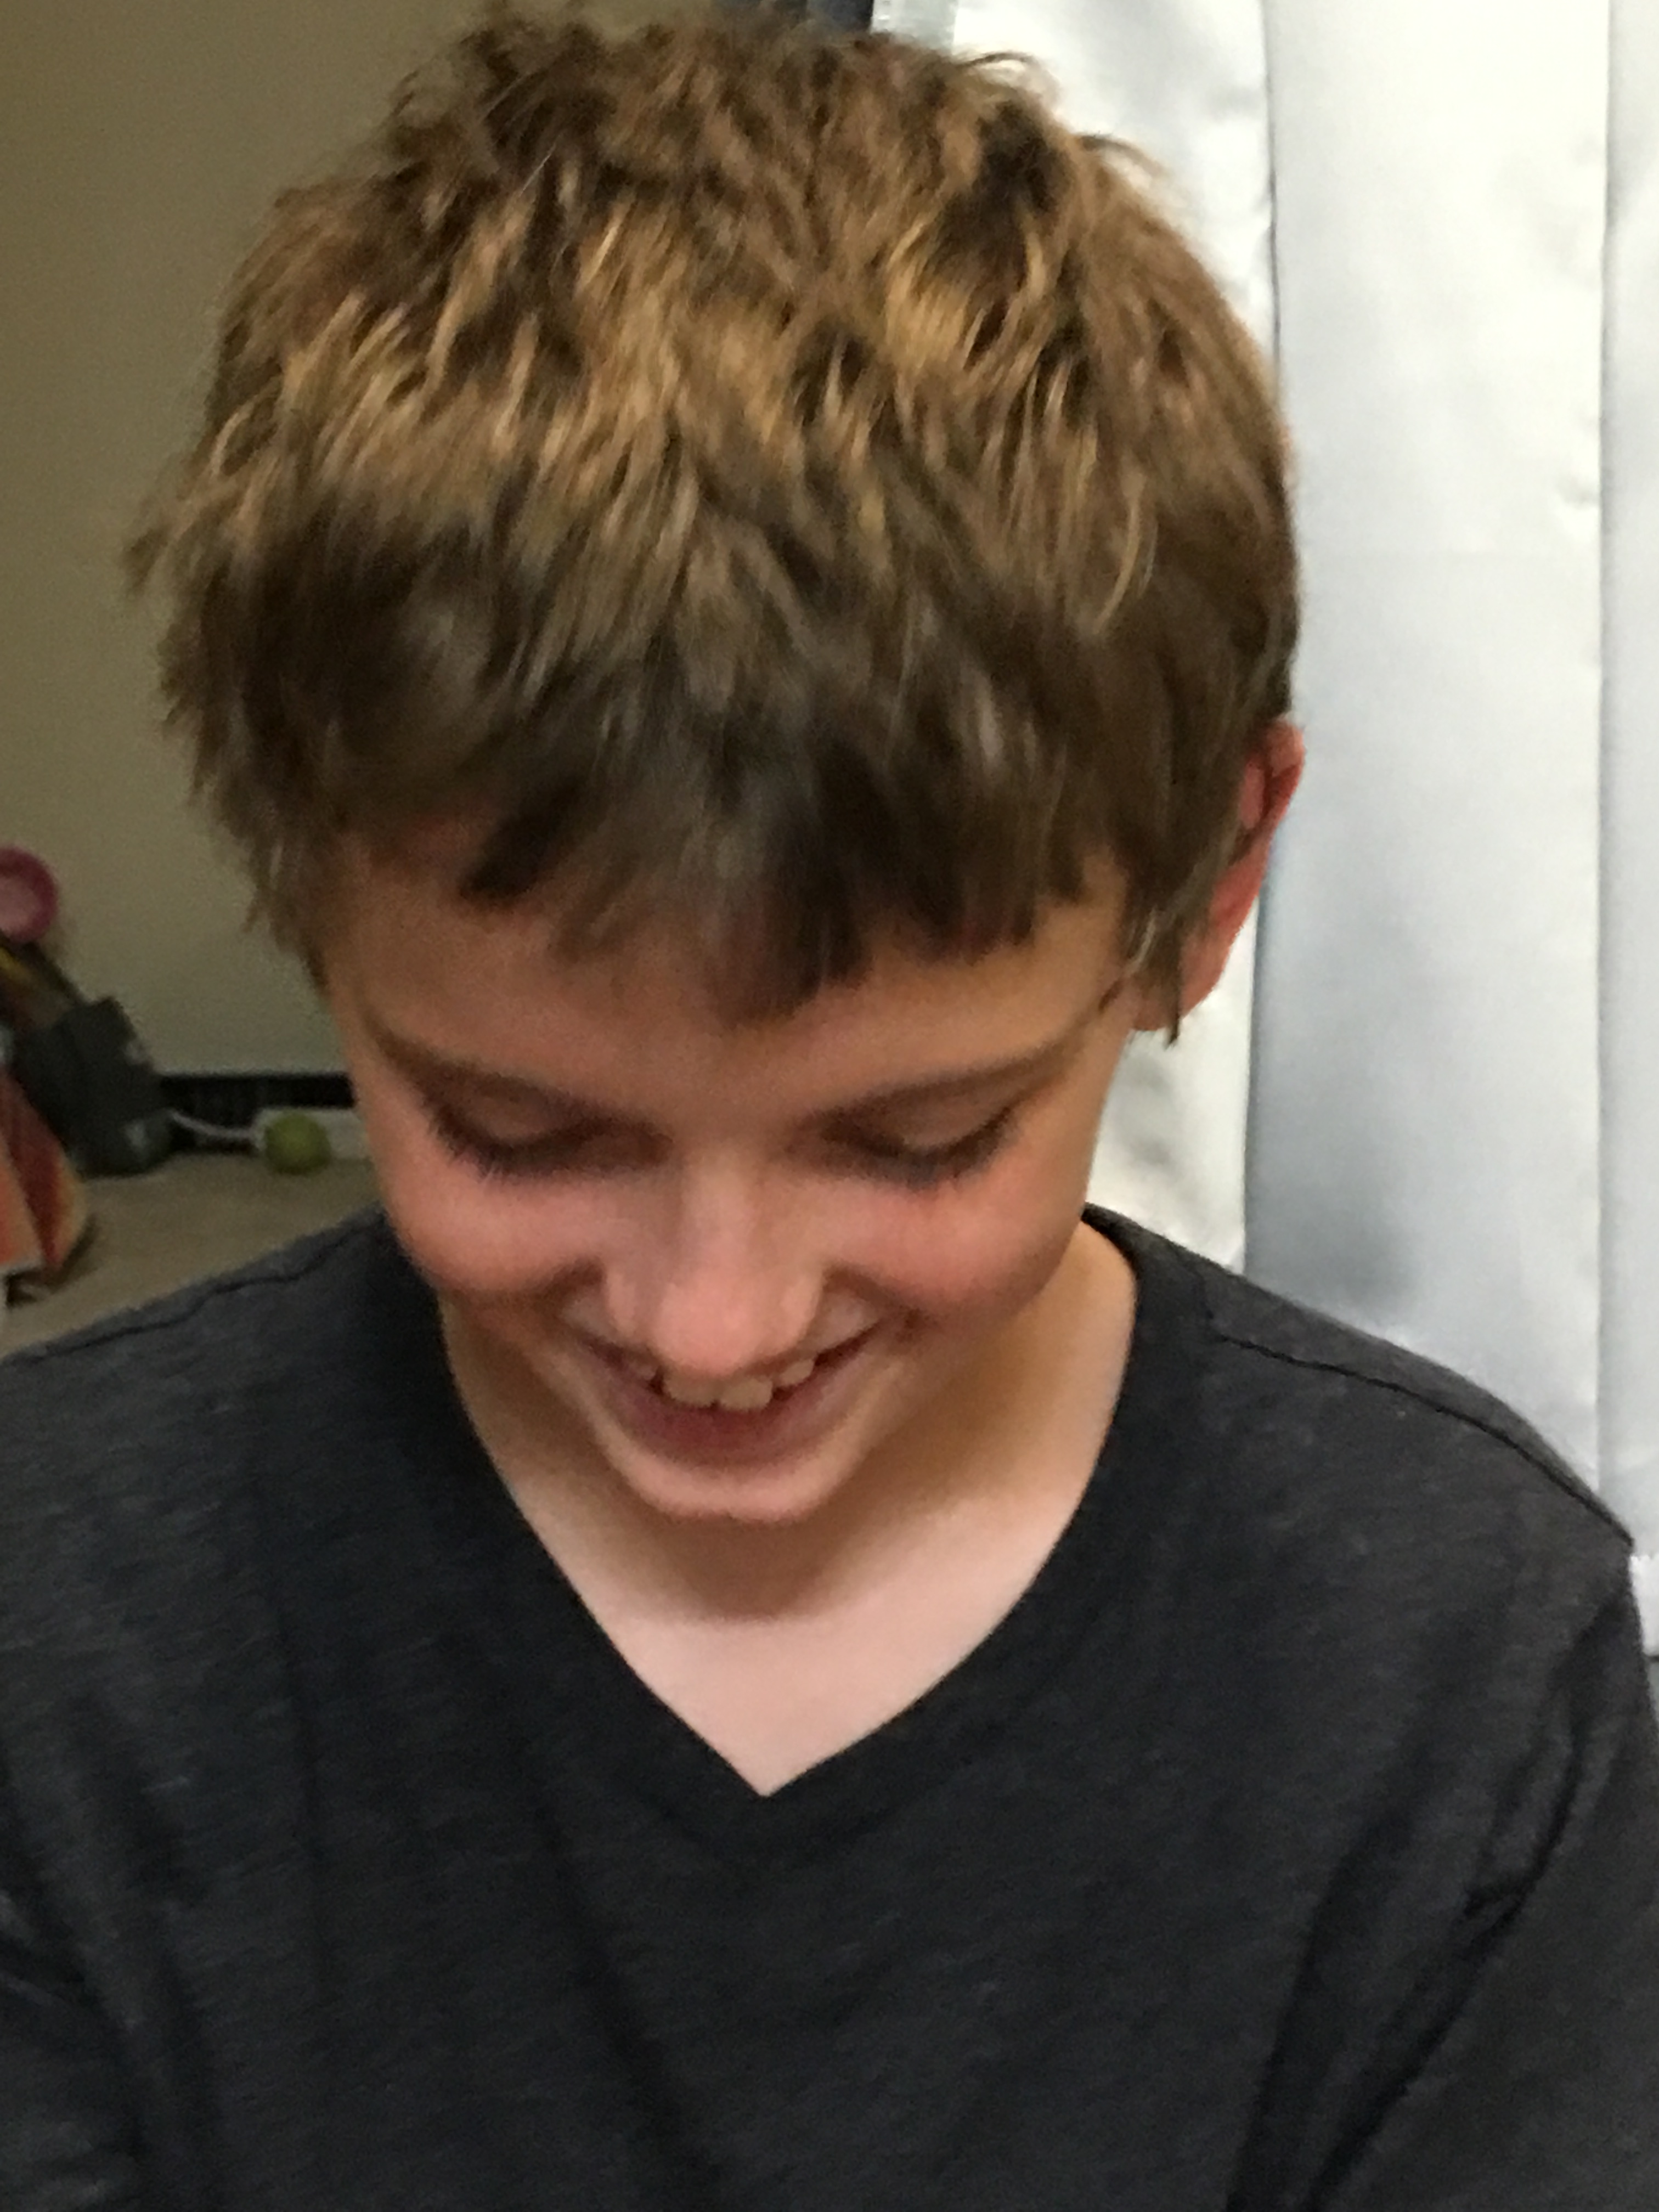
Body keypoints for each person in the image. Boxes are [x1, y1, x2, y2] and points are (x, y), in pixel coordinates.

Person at [2, 8, 1656, 2207]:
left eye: (917, 1140)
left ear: (1206, 894)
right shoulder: (64, 1621)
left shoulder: (1455, 1666)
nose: (719, 1323)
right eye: (519, 1131)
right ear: (306, 896)